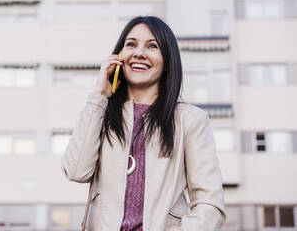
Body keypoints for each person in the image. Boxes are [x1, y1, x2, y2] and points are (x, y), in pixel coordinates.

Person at [62, 16, 226, 230]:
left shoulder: (190, 120)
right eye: (131, 44)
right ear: (119, 56)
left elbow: (210, 204)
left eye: (152, 46)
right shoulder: (101, 114)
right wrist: (98, 95)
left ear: (167, 61)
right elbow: (76, 171)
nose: (139, 52)